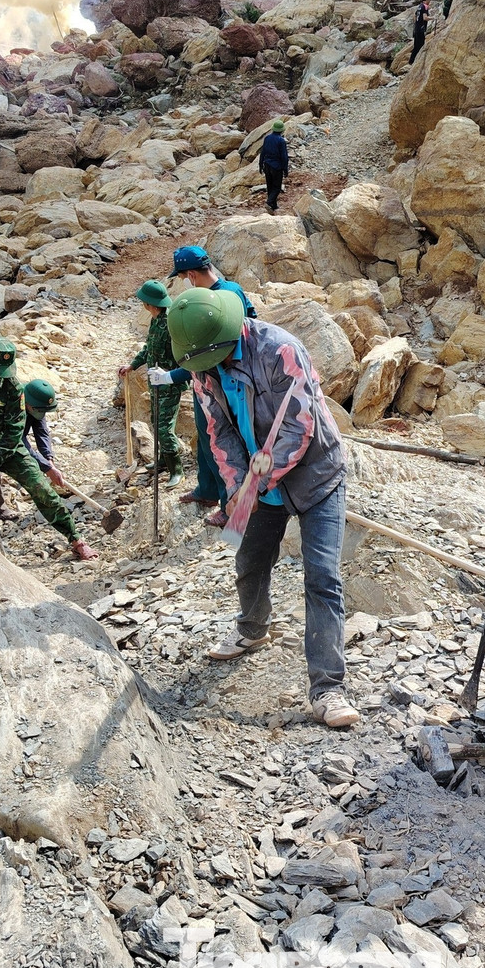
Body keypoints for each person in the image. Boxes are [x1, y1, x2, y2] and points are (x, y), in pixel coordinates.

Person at [166, 287, 358, 728]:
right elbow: (219, 432)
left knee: (322, 576)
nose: (202, 372)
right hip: (259, 484)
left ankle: (328, 687)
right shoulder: (204, 369)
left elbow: (300, 427)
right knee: (250, 560)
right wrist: (237, 485)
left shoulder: (282, 351)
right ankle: (253, 629)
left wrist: (255, 483)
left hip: (316, 478)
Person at [0, 337, 98, 560]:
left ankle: (76, 539)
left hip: (6, 450)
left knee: (42, 489)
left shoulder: (13, 387)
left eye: (3, 369)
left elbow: (14, 433)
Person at [166, 246, 257, 527]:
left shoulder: (214, 301)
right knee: (204, 439)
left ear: (191, 275)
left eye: (183, 277)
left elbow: (206, 353)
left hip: (218, 381)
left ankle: (229, 506)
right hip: (212, 378)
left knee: (220, 442)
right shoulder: (234, 289)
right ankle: (206, 490)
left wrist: (172, 376)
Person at [118, 280, 186, 489]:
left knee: (164, 428)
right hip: (156, 383)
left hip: (170, 383)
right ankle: (164, 462)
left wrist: (171, 375)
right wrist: (132, 365)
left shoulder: (170, 323)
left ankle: (177, 470)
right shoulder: (155, 321)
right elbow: (149, 349)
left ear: (149, 304)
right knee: (156, 423)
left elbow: (181, 353)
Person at [0, 378, 71, 520]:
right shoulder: (11, 403)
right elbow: (19, 441)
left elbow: (42, 433)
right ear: (27, 403)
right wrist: (46, 468)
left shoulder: (36, 405)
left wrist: (48, 460)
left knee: (31, 465)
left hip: (14, 439)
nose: (41, 414)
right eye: (39, 410)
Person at [258, 119, 289, 214]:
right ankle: (269, 202)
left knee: (270, 185)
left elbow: (263, 152)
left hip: (267, 165)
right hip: (276, 166)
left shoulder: (267, 138)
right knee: (277, 187)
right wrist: (285, 169)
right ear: (282, 130)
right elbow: (284, 156)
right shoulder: (281, 141)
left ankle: (273, 206)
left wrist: (260, 164)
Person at [409, 0, 431, 65]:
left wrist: (416, 24)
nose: (429, 1)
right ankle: (418, 62)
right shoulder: (425, 6)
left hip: (417, 28)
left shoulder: (419, 6)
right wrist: (433, 18)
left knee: (416, 46)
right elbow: (425, 18)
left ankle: (411, 61)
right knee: (421, 46)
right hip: (421, 29)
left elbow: (415, 16)